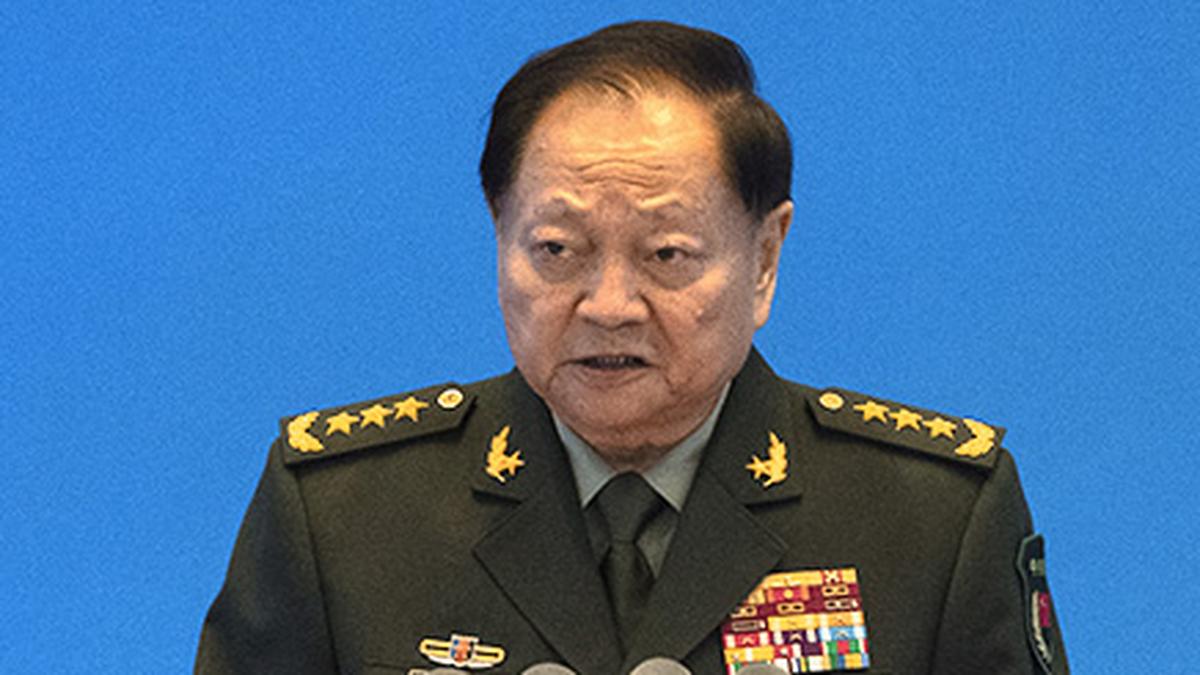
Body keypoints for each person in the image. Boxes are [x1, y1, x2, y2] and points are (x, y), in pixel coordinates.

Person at [196, 21, 1068, 675]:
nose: (609, 305)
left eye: (666, 255)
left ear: (765, 259)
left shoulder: (934, 520)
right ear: (499, 238)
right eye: (557, 250)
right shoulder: (341, 515)